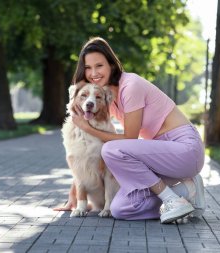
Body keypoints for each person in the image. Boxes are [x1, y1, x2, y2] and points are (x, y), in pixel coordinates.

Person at [54, 37, 205, 223]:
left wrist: (87, 128)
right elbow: (87, 158)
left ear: (111, 64)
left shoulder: (130, 86)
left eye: (99, 66)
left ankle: (172, 200)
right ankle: (186, 191)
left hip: (185, 150)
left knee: (110, 149)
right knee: (120, 208)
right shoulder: (108, 97)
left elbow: (129, 139)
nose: (93, 73)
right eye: (88, 67)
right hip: (160, 155)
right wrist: (75, 193)